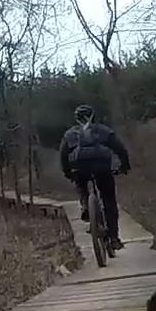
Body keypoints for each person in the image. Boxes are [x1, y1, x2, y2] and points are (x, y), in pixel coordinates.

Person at [59, 104, 131, 249]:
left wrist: (67, 173)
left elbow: (63, 156)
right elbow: (120, 149)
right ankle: (114, 238)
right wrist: (124, 166)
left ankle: (86, 205)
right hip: (102, 167)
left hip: (80, 167)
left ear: (76, 118)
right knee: (109, 199)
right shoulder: (104, 131)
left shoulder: (70, 134)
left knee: (81, 185)